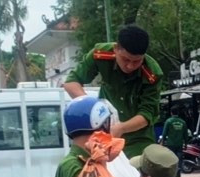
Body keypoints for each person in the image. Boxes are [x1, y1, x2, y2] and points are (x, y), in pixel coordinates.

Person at [63, 24, 162, 158]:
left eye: (136, 61)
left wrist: (121, 128)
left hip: (138, 140)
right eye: (125, 59)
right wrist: (94, 108)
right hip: (104, 136)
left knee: (137, 174)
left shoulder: (152, 74)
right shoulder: (100, 55)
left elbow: (147, 114)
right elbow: (71, 82)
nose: (130, 66)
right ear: (116, 49)